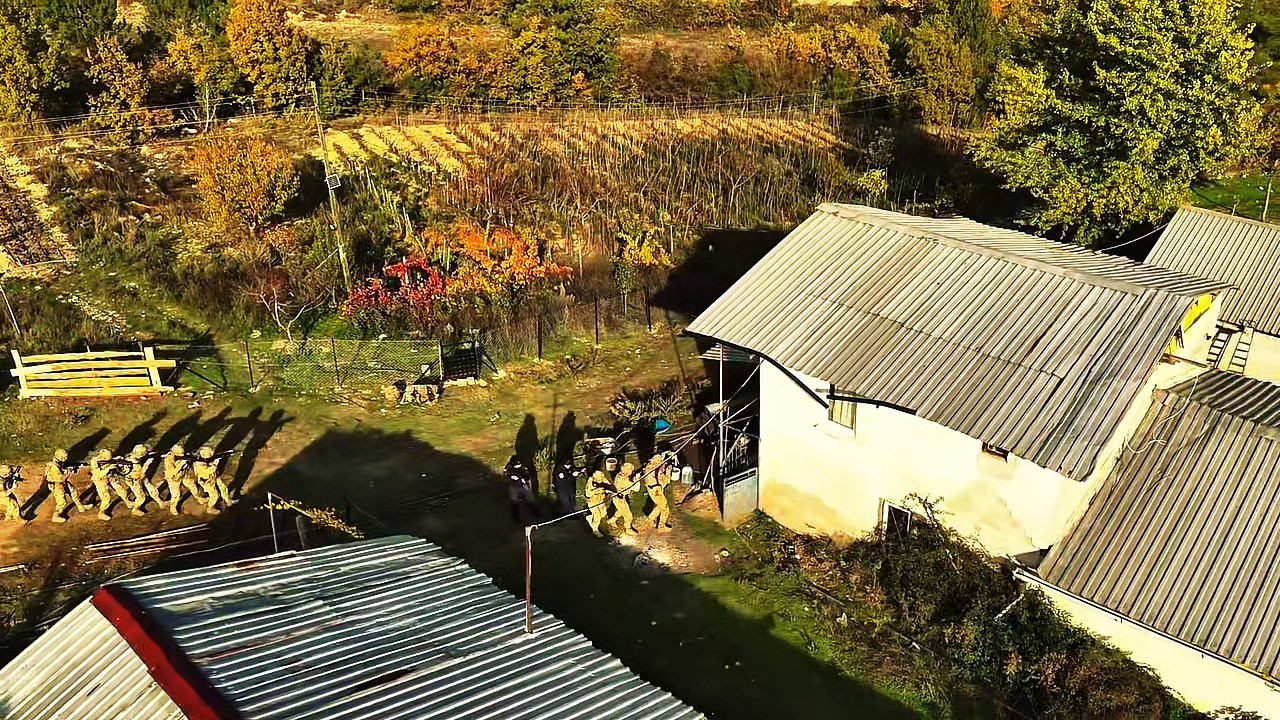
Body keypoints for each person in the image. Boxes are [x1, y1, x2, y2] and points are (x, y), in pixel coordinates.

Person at [45, 449, 88, 523]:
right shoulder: (54, 467)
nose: (65, 459)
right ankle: (55, 516)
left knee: (73, 492)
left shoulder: (59, 462)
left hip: (61, 482)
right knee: (62, 501)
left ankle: (81, 507)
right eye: (64, 458)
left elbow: (67, 466)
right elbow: (61, 478)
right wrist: (68, 472)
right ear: (59, 457)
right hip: (56, 484)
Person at [163, 445, 206, 516]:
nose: (182, 455)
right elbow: (172, 472)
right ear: (175, 453)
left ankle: (199, 499)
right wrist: (181, 464)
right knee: (176, 495)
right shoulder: (168, 460)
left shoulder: (181, 456)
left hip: (183, 475)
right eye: (180, 454)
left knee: (193, 486)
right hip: (173, 479)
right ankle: (173, 508)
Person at [193, 446, 233, 513]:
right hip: (207, 481)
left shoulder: (205, 459)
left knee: (223, 487)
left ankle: (227, 500)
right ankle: (210, 508)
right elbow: (210, 470)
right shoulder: (199, 464)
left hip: (213, 476)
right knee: (214, 495)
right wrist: (215, 463)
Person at [120, 445, 154, 515]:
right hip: (135, 479)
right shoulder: (135, 462)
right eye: (143, 454)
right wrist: (147, 464)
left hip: (132, 477)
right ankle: (135, 509)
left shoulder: (129, 457)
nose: (144, 455)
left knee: (150, 487)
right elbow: (141, 472)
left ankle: (159, 501)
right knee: (141, 497)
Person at [504, 454, 537, 524]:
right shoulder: (509, 468)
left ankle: (536, 513)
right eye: (516, 466)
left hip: (523, 485)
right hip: (513, 486)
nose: (517, 467)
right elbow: (506, 478)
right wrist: (511, 478)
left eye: (518, 465)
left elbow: (527, 476)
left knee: (530, 499)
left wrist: (523, 479)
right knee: (514, 501)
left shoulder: (524, 467)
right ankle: (515, 519)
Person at [88, 449, 119, 520]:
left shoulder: (106, 459)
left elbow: (110, 461)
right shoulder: (94, 462)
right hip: (100, 480)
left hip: (108, 477)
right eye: (108, 458)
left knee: (120, 489)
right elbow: (98, 474)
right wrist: (108, 469)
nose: (109, 459)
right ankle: (101, 512)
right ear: (103, 457)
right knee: (106, 497)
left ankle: (128, 502)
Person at [644, 455, 673, 531]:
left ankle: (650, 519)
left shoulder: (649, 467)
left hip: (652, 489)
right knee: (665, 508)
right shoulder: (656, 471)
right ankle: (661, 526)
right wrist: (668, 472)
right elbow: (665, 481)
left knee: (660, 506)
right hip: (656, 490)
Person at [609, 462, 638, 535]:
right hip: (619, 499)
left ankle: (612, 520)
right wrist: (637, 479)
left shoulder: (619, 475)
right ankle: (628, 528)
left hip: (616, 497)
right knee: (628, 516)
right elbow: (637, 489)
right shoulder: (626, 480)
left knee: (621, 510)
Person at [585, 470, 612, 537]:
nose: (600, 481)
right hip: (593, 502)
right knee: (597, 516)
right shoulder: (590, 483)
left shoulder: (603, 479)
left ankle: (590, 518)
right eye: (599, 480)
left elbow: (608, 485)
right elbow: (588, 494)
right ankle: (595, 530)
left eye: (601, 479)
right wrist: (596, 489)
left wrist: (608, 489)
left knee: (603, 513)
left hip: (601, 501)